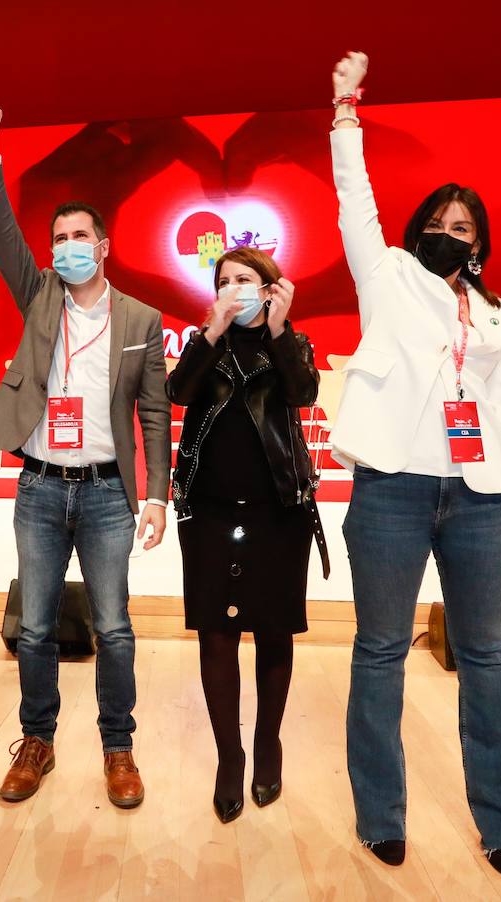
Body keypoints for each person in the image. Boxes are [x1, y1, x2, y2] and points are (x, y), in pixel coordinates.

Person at [329, 52, 501, 877]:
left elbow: (500, 413)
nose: (448, 235)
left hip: (482, 499)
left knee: (487, 657)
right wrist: (345, 113)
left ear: (479, 245)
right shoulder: (386, 275)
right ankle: (380, 815)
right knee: (380, 650)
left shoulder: (497, 316)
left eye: (464, 229)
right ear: (418, 226)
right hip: (392, 487)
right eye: (439, 222)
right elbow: (355, 202)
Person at [0, 103, 171, 810]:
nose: (67, 245)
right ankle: (37, 742)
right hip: (42, 490)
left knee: (114, 629)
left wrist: (156, 496)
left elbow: (152, 413)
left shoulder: (142, 319)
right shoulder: (40, 294)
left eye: (80, 235)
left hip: (111, 495)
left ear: (105, 245)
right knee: (34, 630)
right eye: (59, 236)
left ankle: (119, 748)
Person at [167, 247, 328, 823]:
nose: (235, 289)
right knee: (216, 632)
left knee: (273, 630)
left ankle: (267, 743)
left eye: (246, 280)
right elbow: (177, 393)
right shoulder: (203, 344)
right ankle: (229, 756)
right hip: (208, 511)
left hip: (279, 511)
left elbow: (303, 393)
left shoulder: (293, 343)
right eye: (224, 281)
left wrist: (280, 331)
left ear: (271, 288)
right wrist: (208, 335)